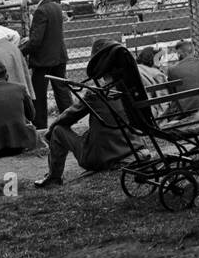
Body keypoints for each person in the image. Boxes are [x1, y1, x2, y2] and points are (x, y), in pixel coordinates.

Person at [35, 41, 138, 188]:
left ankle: (54, 177)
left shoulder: (95, 93)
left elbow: (68, 117)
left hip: (102, 157)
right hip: (133, 148)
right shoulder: (132, 88)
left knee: (58, 131)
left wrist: (50, 131)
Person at [24, 0, 72, 129]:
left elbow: (36, 40)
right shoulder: (56, 7)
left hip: (44, 59)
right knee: (61, 90)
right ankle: (69, 119)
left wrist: (20, 50)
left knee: (39, 93)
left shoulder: (41, 11)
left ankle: (40, 125)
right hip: (59, 55)